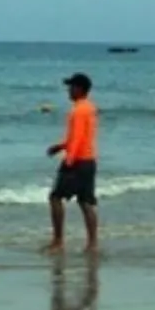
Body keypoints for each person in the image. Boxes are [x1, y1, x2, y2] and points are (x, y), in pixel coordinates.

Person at [45, 72, 100, 253]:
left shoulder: (77, 111)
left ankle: (58, 241)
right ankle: (92, 243)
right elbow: (81, 136)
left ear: (80, 89)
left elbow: (76, 138)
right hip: (89, 160)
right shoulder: (89, 108)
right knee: (85, 202)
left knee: (55, 197)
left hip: (77, 160)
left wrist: (69, 159)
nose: (68, 90)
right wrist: (60, 147)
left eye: (71, 86)